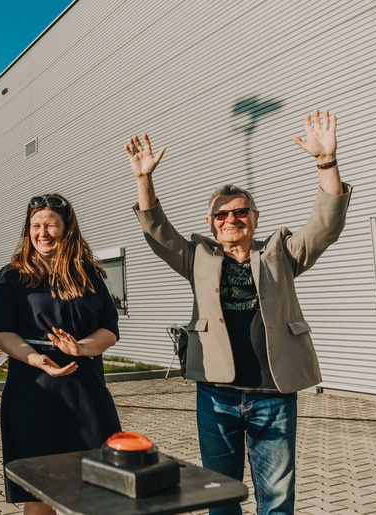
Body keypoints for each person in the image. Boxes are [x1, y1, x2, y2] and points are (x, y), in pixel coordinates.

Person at [126, 109, 352, 514]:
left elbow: (325, 226)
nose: (231, 219)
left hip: (273, 393)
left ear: (255, 218)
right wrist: (144, 180)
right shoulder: (197, 256)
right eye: (221, 214)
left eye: (240, 212)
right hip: (217, 393)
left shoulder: (281, 251)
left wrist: (326, 161)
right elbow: (158, 233)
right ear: (211, 223)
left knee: (277, 498)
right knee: (219, 493)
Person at [0, 193, 122, 515]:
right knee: (40, 491)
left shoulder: (89, 274)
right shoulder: (11, 276)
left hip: (86, 390)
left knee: (96, 488)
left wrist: (81, 348)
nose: (42, 233)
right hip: (32, 390)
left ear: (67, 228)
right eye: (36, 226)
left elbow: (109, 328)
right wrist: (36, 359)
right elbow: (2, 332)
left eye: (51, 225)